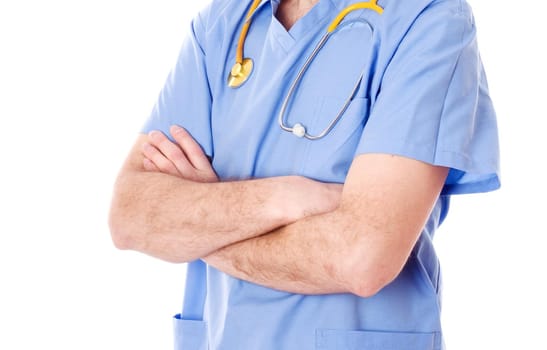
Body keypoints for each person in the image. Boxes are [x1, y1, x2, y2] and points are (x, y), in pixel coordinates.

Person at [108, 0, 500, 349]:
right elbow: (129, 217)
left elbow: (362, 258)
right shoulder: (223, 23)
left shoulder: (429, 19)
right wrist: (285, 197)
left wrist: (191, 228)